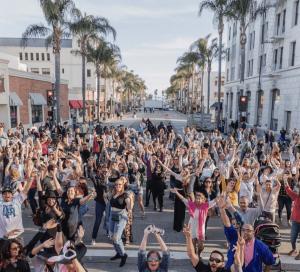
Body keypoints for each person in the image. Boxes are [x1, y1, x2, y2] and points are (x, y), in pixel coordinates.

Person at [109, 177, 131, 267]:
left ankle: (123, 255)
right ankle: (118, 253)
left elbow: (129, 207)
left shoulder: (125, 195)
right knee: (112, 236)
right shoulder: (113, 193)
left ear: (123, 186)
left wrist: (129, 207)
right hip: (112, 215)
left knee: (116, 238)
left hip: (121, 216)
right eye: (116, 184)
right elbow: (110, 203)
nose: (118, 186)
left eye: (120, 184)